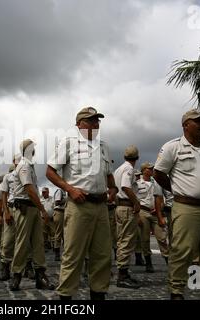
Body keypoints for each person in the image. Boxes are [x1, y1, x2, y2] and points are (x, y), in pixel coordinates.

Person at [46, 106, 118, 300]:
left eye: (98, 120)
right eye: (91, 120)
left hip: (101, 207)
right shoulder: (68, 143)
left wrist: (113, 189)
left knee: (103, 256)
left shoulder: (103, 146)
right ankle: (66, 297)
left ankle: (98, 295)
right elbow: (50, 172)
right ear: (79, 124)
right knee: (73, 255)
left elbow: (108, 174)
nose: (96, 124)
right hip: (79, 205)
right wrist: (70, 189)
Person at [153, 109, 200, 300]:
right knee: (182, 251)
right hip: (187, 208)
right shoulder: (172, 147)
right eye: (198, 122)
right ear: (185, 125)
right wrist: (176, 189)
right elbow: (158, 173)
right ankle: (176, 291)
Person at [9, 139, 55, 291]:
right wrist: (42, 209)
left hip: (32, 208)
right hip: (25, 208)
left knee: (38, 243)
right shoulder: (24, 166)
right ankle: (16, 275)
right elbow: (29, 189)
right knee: (22, 243)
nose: (35, 150)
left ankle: (40, 275)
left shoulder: (29, 165)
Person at [113, 145, 141, 289]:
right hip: (127, 207)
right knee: (127, 240)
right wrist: (136, 203)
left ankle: (124, 272)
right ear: (137, 158)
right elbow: (125, 187)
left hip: (119, 206)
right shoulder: (129, 169)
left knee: (122, 239)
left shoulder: (118, 169)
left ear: (124, 156)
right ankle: (122, 276)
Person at [136, 161, 169, 272]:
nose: (151, 170)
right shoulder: (137, 183)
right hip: (143, 211)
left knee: (162, 237)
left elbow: (162, 197)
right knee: (144, 239)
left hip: (156, 213)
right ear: (143, 170)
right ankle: (148, 263)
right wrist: (137, 216)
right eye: (149, 168)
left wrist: (161, 207)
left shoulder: (156, 182)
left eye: (152, 168)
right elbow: (134, 200)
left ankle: (168, 261)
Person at [52, 188, 67, 261]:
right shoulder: (60, 191)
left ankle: (65, 252)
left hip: (64, 212)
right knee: (59, 233)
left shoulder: (64, 191)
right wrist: (67, 200)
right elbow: (57, 202)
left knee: (65, 234)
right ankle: (57, 254)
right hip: (59, 212)